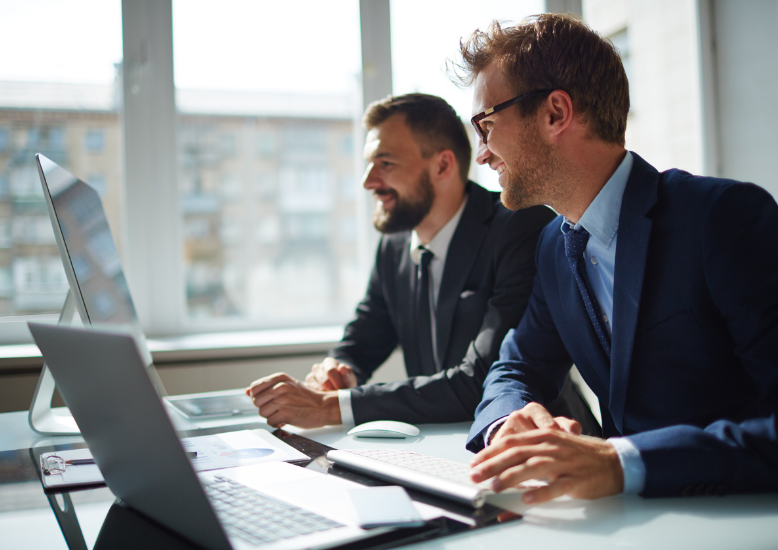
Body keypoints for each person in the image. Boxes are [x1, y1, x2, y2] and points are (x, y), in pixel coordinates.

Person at [451, 13, 778, 504]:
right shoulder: (554, 247)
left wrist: (624, 461)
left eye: (487, 125)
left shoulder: (721, 218)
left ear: (556, 112)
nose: (482, 154)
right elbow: (515, 369)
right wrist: (509, 422)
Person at [246, 93, 594, 430]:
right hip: (437, 445)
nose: (368, 182)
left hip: (544, 448)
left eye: (386, 163)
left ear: (443, 164)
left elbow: (482, 381)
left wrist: (328, 408)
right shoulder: (394, 245)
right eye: (369, 164)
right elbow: (366, 333)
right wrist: (339, 370)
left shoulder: (520, 228)